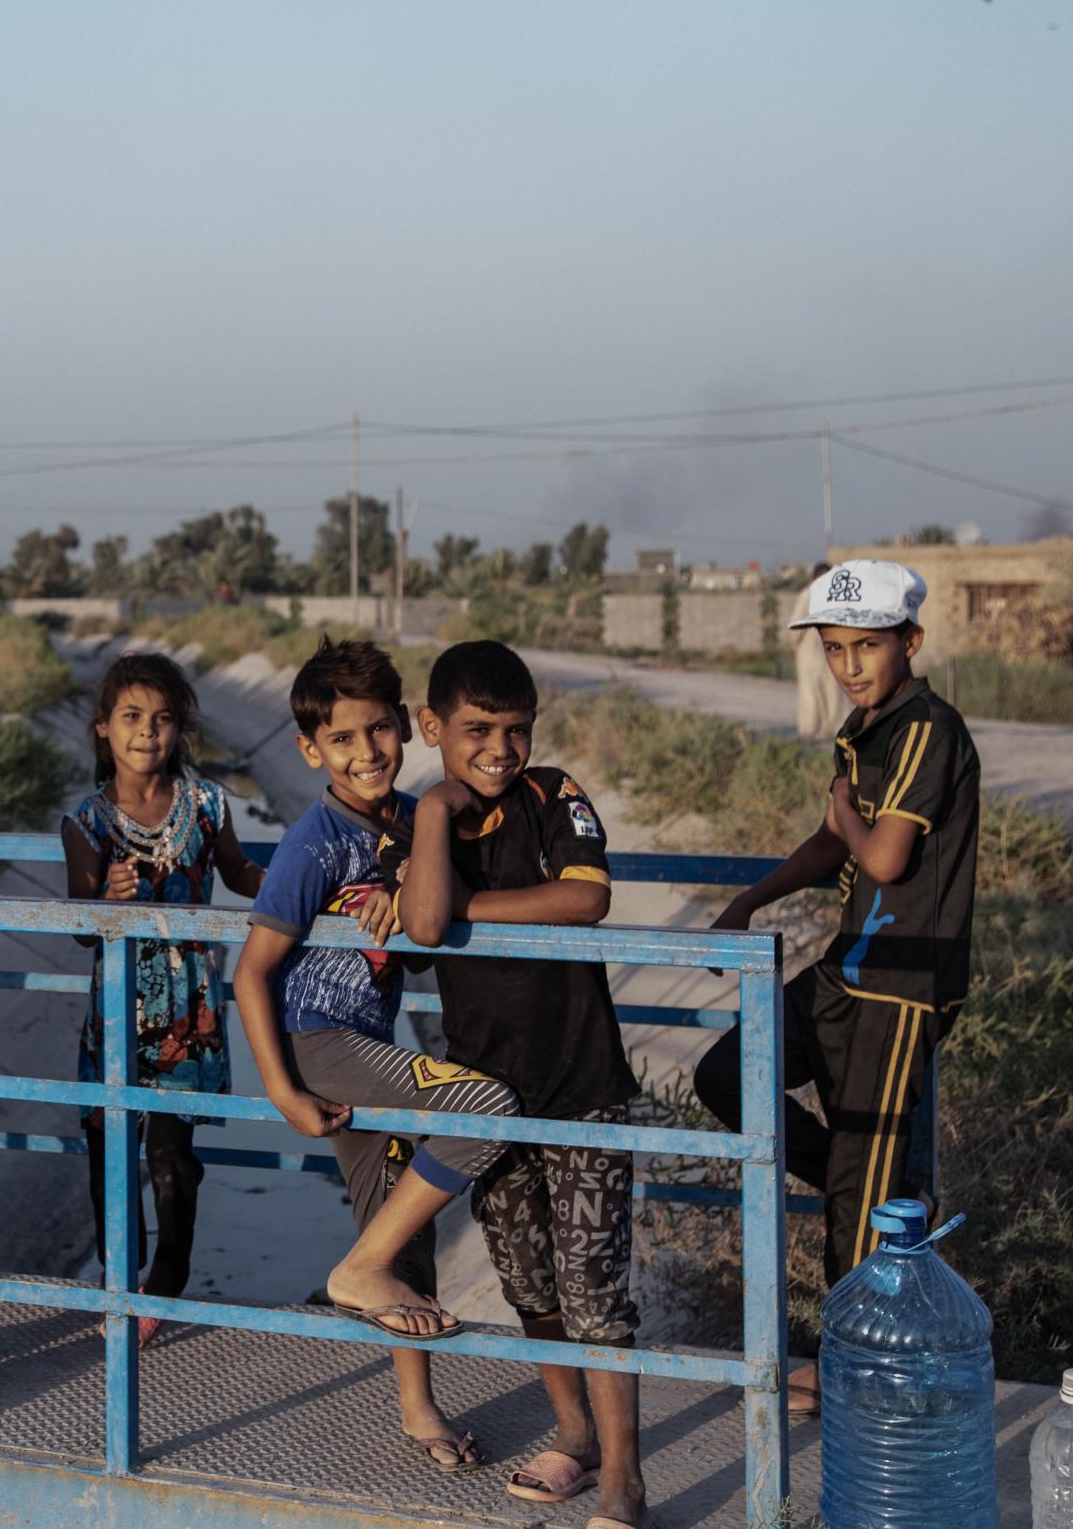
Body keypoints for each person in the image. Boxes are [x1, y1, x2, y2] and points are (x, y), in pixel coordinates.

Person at [693, 558, 980, 1415]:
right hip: (848, 969)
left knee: (859, 1192)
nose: (851, 663)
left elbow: (880, 853)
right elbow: (834, 845)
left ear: (909, 642)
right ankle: (890, 1199)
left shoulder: (929, 727)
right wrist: (750, 900)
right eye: (834, 648)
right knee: (724, 1076)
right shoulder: (864, 730)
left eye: (867, 646)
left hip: (903, 984)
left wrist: (841, 806)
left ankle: (847, 1366)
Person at [232, 636, 519, 1475]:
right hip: (321, 1046)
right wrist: (284, 1089)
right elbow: (252, 972)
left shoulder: (400, 825)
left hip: (370, 1044)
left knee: (400, 1224)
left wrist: (408, 888)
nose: (368, 753)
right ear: (310, 750)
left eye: (379, 731)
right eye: (345, 739)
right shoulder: (313, 843)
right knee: (487, 1107)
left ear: (403, 726)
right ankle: (355, 1270)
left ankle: (417, 1405)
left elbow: (420, 947)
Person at [397, 641, 648, 1527]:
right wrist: (433, 812)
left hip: (580, 1085)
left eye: (515, 729)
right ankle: (573, 1432)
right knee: (528, 1277)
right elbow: (419, 921)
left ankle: (624, 1475)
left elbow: (585, 897)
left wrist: (467, 909)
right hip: (487, 1095)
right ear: (432, 728)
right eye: (474, 731)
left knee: (594, 1288)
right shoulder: (423, 820)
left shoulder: (552, 795)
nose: (499, 748)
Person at [61, 652, 264, 1342]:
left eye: (164, 719)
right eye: (132, 717)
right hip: (116, 1011)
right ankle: (120, 1278)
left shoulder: (206, 804)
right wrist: (104, 902)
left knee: (174, 1160)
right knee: (110, 1152)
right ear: (101, 729)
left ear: (178, 731)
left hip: (188, 1008)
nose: (148, 731)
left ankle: (165, 1284)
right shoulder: (86, 821)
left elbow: (239, 874)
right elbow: (83, 930)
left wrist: (307, 878)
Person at [792, 562, 851, 740]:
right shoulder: (807, 595)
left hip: (829, 651)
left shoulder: (834, 596)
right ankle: (810, 730)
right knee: (811, 692)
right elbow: (796, 624)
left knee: (832, 690)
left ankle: (833, 727)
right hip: (810, 652)